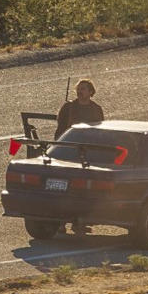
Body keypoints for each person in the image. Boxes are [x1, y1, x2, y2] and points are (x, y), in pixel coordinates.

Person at [54, 79, 104, 235]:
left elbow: (101, 131)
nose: (80, 91)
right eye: (78, 89)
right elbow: (60, 129)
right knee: (64, 188)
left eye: (83, 89)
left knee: (83, 190)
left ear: (90, 92)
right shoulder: (69, 108)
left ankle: (80, 222)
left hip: (88, 154)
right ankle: (61, 223)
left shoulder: (96, 109)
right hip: (69, 153)